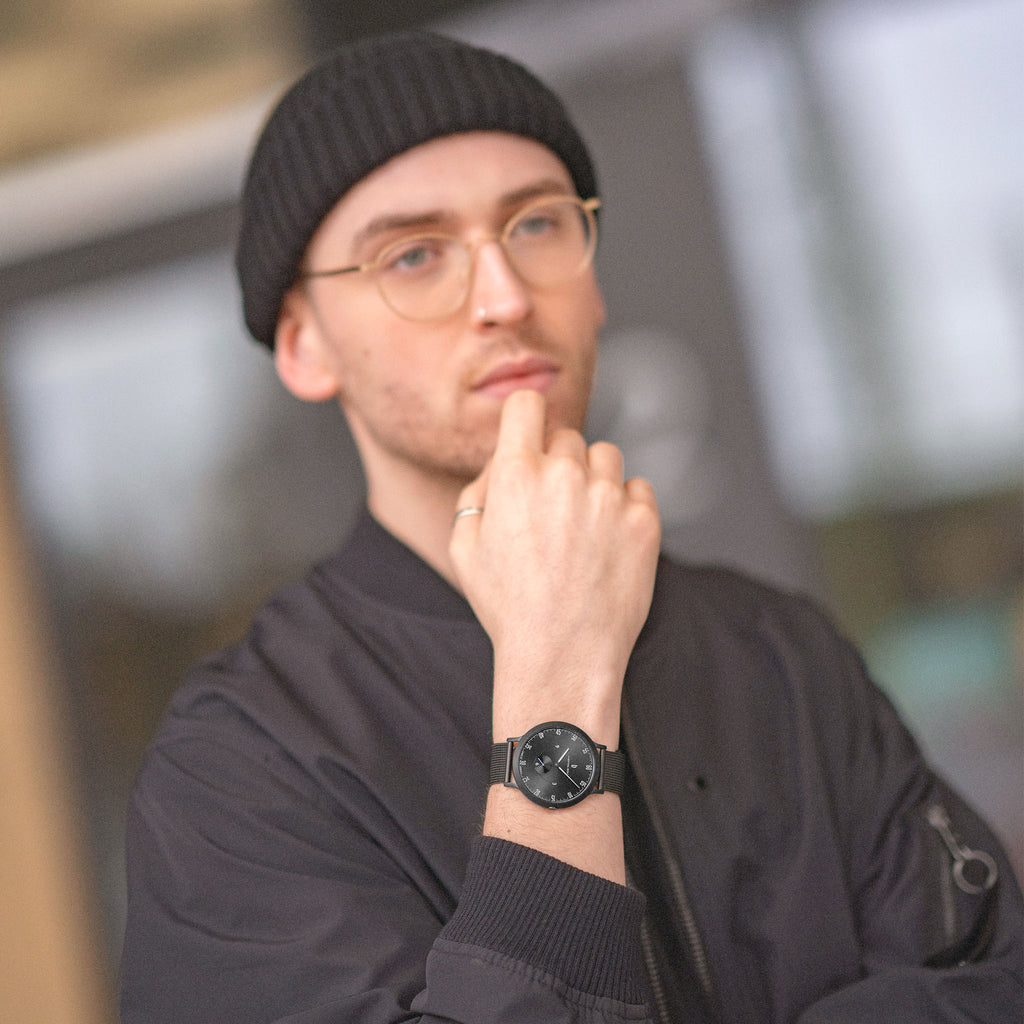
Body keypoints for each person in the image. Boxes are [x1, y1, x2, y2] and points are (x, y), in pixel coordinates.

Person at [119, 30, 1022, 1024]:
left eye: (538, 225)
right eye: (413, 255)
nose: (505, 296)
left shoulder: (781, 652)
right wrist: (556, 678)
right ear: (303, 345)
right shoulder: (244, 763)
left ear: (590, 282)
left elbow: (986, 983)